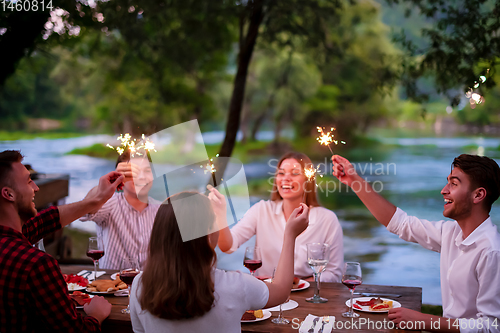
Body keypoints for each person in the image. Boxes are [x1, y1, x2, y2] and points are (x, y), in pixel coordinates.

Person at [332, 153, 500, 332]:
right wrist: (353, 180)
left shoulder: (491, 251)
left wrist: (424, 320)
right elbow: (401, 223)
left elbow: (491, 326)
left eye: (454, 183)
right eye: (447, 182)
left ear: (478, 195)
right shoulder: (451, 233)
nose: (444, 190)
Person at [129, 191, 309, 333]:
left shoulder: (138, 285)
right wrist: (290, 235)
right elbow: (282, 291)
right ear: (208, 235)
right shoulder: (235, 286)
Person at [0, 150, 124, 332]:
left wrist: (97, 200)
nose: (36, 187)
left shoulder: (10, 243)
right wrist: (95, 315)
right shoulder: (37, 265)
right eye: (28, 181)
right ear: (9, 194)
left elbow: (45, 221)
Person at [214, 151, 343, 282]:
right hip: (267, 295)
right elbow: (228, 246)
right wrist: (220, 216)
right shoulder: (261, 210)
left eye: (294, 173)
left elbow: (334, 273)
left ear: (308, 180)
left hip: (308, 295)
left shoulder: (327, 219)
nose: (286, 178)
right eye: (281, 173)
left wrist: (301, 283)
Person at [80, 150, 161, 269]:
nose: (142, 177)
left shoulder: (160, 209)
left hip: (149, 284)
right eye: (134, 172)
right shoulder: (110, 204)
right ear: (120, 176)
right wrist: (108, 184)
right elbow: (85, 208)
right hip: (112, 284)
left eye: (147, 171)